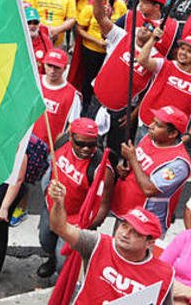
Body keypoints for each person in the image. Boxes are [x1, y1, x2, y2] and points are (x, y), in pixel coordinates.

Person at [48, 179, 174, 304]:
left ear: (150, 243)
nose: (125, 234)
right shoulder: (96, 243)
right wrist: (58, 203)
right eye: (124, 225)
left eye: (135, 232)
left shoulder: (163, 275)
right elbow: (59, 227)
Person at [37, 117, 113, 279]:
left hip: (75, 221)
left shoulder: (102, 169)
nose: (86, 149)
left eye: (91, 144)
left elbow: (104, 206)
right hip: (53, 207)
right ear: (70, 137)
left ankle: (63, 282)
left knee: (63, 261)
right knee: (45, 240)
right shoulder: (61, 140)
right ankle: (51, 259)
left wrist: (84, 229)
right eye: (80, 143)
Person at [110, 105, 191, 236]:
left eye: (158, 125)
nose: (151, 126)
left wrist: (132, 158)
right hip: (125, 210)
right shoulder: (149, 138)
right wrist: (124, 166)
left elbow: (149, 189)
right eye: (153, 121)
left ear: (172, 134)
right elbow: (136, 165)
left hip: (145, 223)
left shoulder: (179, 163)